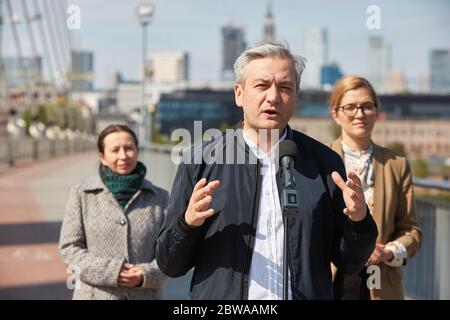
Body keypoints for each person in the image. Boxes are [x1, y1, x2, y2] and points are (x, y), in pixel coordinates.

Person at [156, 42, 378, 300]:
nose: (273, 97)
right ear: (239, 93)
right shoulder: (201, 161)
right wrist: (187, 224)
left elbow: (350, 261)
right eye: (261, 86)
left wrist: (359, 221)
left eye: (285, 87)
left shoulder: (325, 164)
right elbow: (169, 263)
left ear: (296, 97)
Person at [328, 76, 422, 300]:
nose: (360, 114)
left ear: (377, 112)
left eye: (367, 106)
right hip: (331, 280)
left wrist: (388, 251)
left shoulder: (396, 165)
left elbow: (412, 231)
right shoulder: (320, 160)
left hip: (381, 283)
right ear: (336, 114)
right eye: (350, 107)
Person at [59, 124, 168, 300]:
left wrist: (145, 274)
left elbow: (171, 253)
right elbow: (69, 248)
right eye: (115, 150)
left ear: (137, 151)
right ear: (102, 157)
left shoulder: (161, 197)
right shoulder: (81, 194)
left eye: (129, 148)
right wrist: (113, 272)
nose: (123, 156)